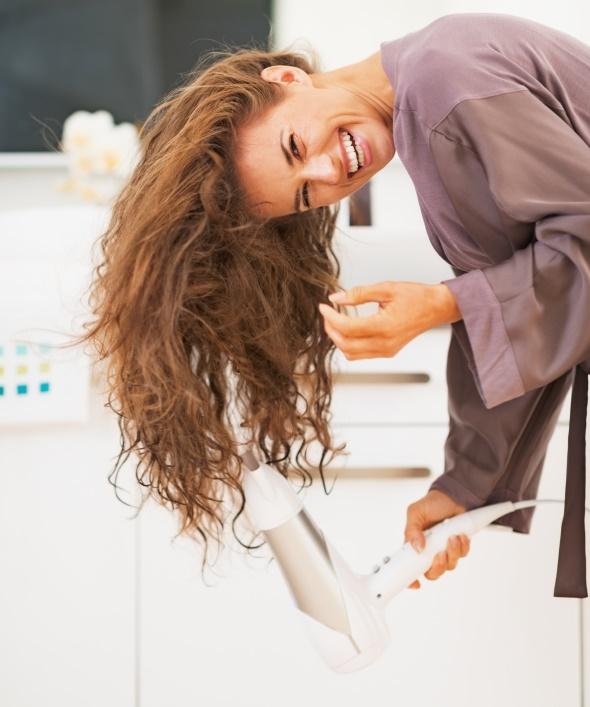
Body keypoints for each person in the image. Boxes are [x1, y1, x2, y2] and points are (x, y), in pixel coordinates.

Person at [78, 12, 590, 596]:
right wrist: (464, 485)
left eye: (294, 145)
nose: (328, 172)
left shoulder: (443, 80)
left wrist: (443, 303)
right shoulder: (426, 106)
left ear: (286, 80)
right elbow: (533, 288)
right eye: (305, 195)